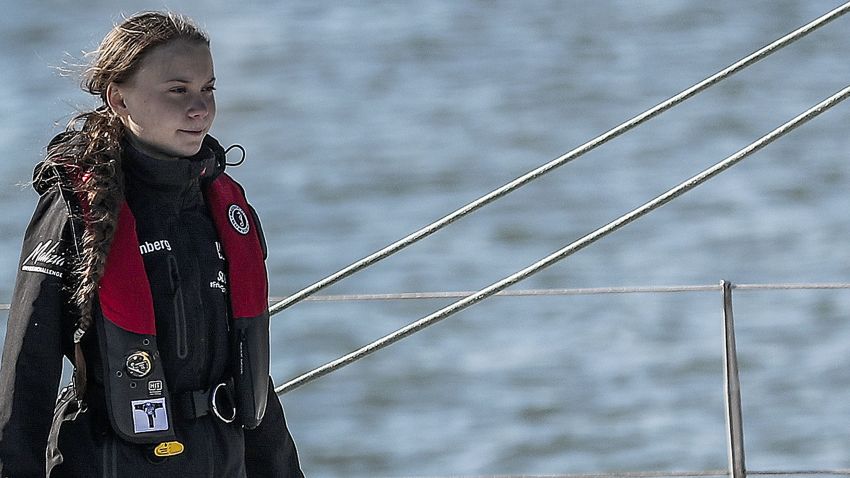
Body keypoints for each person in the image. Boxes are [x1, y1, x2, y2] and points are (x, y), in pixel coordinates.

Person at [0, 11, 303, 477]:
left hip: (224, 459)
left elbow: (249, 374)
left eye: (208, 88)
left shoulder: (223, 209)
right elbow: (27, 375)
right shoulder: (79, 210)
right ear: (119, 99)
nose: (199, 107)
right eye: (177, 90)